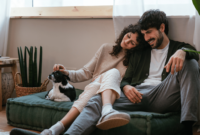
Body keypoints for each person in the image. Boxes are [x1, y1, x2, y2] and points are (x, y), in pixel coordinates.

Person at [44, 9, 198, 135]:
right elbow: (126, 79)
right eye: (143, 34)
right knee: (98, 100)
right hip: (137, 95)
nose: (146, 38)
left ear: (162, 28)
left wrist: (182, 52)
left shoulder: (179, 47)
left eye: (149, 32)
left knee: (190, 62)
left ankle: (188, 127)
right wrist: (126, 87)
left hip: (163, 94)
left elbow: (195, 53)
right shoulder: (140, 52)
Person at [10, 24, 148, 135]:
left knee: (112, 73)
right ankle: (106, 111)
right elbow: (85, 72)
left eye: (132, 43)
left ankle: (54, 130)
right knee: (95, 85)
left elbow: (122, 82)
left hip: (109, 95)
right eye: (127, 36)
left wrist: (101, 79)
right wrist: (66, 72)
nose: (127, 41)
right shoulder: (106, 48)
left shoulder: (132, 62)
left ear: (136, 48)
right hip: (93, 90)